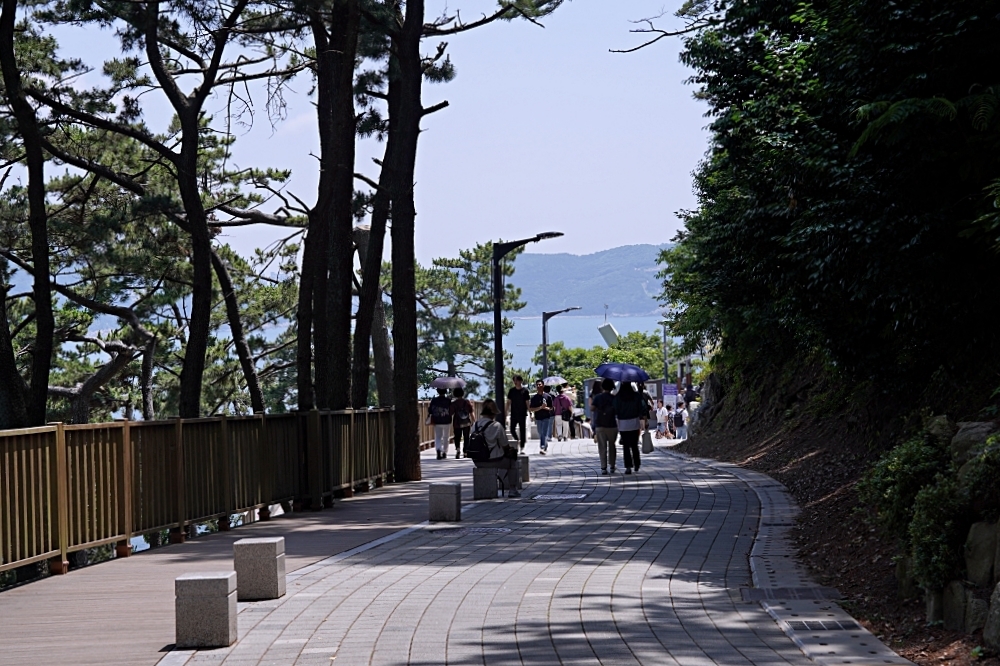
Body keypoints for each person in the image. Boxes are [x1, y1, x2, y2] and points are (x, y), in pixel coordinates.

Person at [471, 399, 520, 497]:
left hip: (477, 460)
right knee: (512, 462)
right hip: (493, 460)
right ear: (494, 413)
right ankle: (512, 489)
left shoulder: (475, 425)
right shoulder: (496, 426)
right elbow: (505, 445)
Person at [614, 382, 644, 474]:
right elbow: (642, 407)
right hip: (634, 422)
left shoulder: (618, 397)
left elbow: (615, 408)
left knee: (626, 446)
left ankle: (628, 466)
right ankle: (637, 464)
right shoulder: (636, 396)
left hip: (623, 423)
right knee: (634, 445)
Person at [591, 378, 618, 474]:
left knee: (602, 446)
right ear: (612, 387)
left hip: (600, 425)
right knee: (612, 445)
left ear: (603, 387)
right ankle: (612, 466)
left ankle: (603, 467)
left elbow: (592, 408)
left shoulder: (598, 397)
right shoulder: (614, 398)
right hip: (612, 425)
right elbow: (617, 411)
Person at [505, 375, 531, 451]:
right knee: (512, 429)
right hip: (513, 413)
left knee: (522, 429)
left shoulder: (525, 391)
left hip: (522, 413)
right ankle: (517, 440)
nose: (515, 382)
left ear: (520, 381)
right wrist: (506, 412)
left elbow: (527, 402)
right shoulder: (511, 391)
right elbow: (508, 402)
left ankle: (522, 446)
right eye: (514, 381)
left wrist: (530, 412)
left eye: (516, 380)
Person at [529, 380, 554, 454]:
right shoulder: (534, 398)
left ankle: (542, 447)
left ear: (543, 385)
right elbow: (531, 409)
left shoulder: (548, 397)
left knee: (544, 432)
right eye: (537, 385)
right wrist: (540, 407)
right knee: (540, 433)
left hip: (546, 417)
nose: (538, 386)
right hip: (538, 418)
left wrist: (545, 408)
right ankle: (545, 445)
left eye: (540, 385)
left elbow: (551, 408)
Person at [450, 387, 474, 459]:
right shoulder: (467, 402)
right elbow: (471, 412)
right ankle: (465, 452)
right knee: (466, 437)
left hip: (457, 422)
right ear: (463, 393)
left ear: (454, 394)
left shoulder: (454, 403)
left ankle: (458, 450)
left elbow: (450, 413)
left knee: (457, 437)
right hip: (466, 422)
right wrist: (474, 420)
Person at [429, 388, 453, 459]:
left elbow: (430, 410)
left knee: (438, 436)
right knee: (446, 437)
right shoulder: (448, 400)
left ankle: (438, 450)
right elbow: (451, 410)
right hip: (446, 420)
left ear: (437, 392)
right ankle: (445, 452)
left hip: (437, 420)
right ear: (445, 392)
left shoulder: (434, 400)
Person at [589, 379, 604, 443]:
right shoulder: (602, 392)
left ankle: (595, 434)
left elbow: (590, 403)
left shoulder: (592, 392)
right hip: (602, 410)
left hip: (595, 409)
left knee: (595, 421)